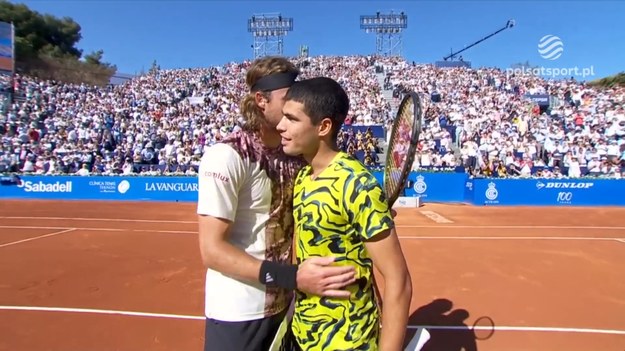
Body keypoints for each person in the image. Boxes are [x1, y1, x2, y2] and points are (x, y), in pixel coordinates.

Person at [196, 57, 357, 351]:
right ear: (261, 99)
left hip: (286, 307)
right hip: (237, 312)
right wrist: (293, 276)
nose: (295, 104)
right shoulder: (227, 156)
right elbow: (212, 250)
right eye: (287, 97)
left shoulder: (297, 155)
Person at [277, 76, 412, 350]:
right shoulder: (304, 176)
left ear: (324, 127)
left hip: (347, 342)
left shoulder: (357, 184)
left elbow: (399, 281)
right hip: (302, 335)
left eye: (292, 119)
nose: (281, 126)